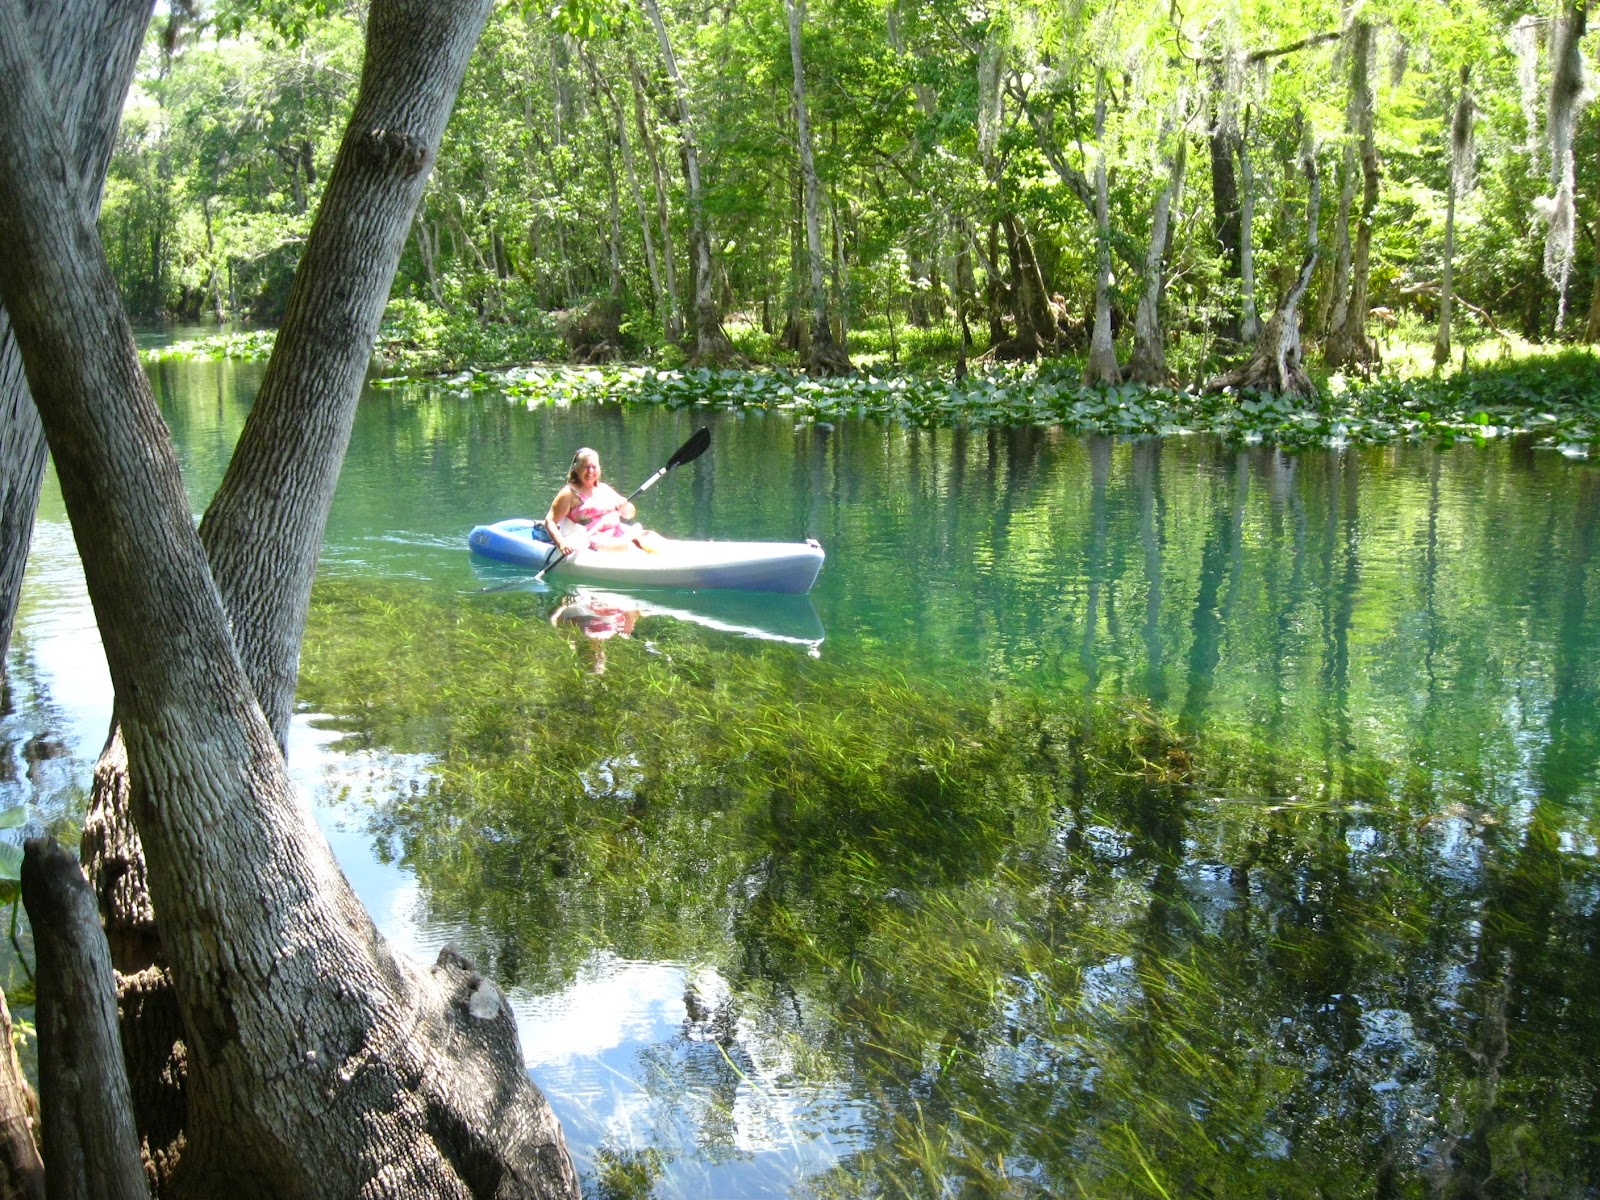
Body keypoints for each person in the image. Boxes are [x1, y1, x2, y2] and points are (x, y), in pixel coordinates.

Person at [545, 447, 663, 555]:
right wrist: (561, 543)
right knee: (629, 545)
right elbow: (550, 521)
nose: (591, 471)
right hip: (590, 540)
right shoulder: (569, 493)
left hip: (616, 532)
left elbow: (630, 514)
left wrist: (624, 507)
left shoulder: (603, 488)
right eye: (586, 467)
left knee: (650, 535)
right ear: (576, 469)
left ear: (599, 469)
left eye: (594, 467)